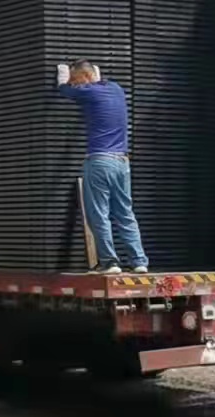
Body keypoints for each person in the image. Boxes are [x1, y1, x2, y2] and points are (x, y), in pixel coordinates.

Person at [53, 59, 148, 274]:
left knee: (98, 214)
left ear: (86, 78)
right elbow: (95, 76)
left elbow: (65, 90)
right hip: (122, 163)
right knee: (125, 213)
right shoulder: (116, 89)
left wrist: (63, 74)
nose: (77, 85)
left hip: (99, 162)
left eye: (78, 80)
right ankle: (139, 261)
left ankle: (110, 263)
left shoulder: (88, 93)